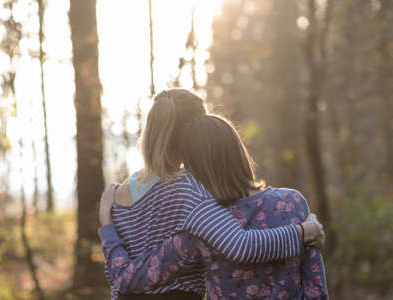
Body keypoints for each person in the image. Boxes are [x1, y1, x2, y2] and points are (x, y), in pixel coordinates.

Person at [100, 90, 324, 300]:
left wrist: (105, 223)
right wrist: (303, 232)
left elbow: (120, 278)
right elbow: (241, 245)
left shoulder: (119, 192)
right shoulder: (189, 191)